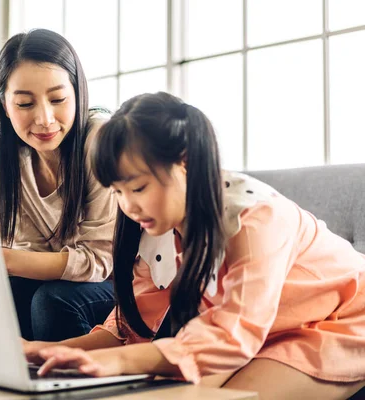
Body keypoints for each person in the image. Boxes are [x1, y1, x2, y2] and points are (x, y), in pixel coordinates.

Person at [24, 92, 365, 399]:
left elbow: (235, 334)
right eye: (117, 191)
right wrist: (54, 353)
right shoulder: (156, 222)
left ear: (184, 161)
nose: (128, 205)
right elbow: (135, 323)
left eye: (138, 188)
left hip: (341, 323)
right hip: (254, 327)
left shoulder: (255, 219)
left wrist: (116, 362)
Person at [0, 29, 116, 342]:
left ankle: (70, 387)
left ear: (78, 93)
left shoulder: (99, 140)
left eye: (58, 99)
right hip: (68, 281)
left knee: (52, 301)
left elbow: (100, 263)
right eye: (24, 104)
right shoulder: (8, 159)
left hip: (128, 282)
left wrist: (4, 259)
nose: (45, 119)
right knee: (6, 291)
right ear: (4, 105)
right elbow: (29, 251)